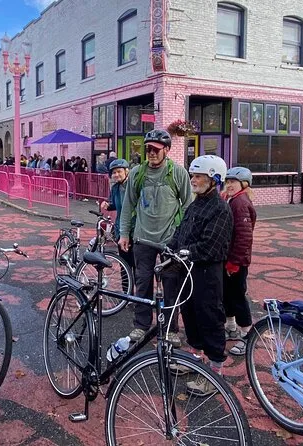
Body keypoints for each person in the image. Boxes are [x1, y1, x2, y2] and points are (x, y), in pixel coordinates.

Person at [119, 129, 192, 348]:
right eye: (148, 149)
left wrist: (182, 237)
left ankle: (170, 329)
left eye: (156, 149)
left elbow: (188, 205)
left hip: (169, 240)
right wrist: (124, 233)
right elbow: (128, 205)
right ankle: (141, 325)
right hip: (142, 239)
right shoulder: (137, 173)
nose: (151, 153)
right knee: (142, 283)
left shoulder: (178, 173)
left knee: (171, 285)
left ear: (166, 150)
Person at [167, 155, 232, 396]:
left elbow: (209, 247)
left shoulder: (220, 209)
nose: (193, 180)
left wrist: (183, 252)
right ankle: (195, 358)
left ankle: (215, 372)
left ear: (214, 179)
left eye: (198, 176)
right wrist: (171, 246)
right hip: (188, 270)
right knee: (190, 314)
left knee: (209, 317)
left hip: (207, 273)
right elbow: (181, 231)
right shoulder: (196, 204)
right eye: (192, 175)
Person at [222, 167, 256, 356]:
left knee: (237, 297)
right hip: (230, 258)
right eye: (227, 182)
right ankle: (231, 327)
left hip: (236, 261)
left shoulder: (240, 203)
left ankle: (247, 334)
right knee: (228, 294)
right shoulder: (233, 200)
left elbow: (244, 237)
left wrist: (234, 262)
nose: (229, 185)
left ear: (244, 184)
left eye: (233, 182)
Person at [100, 159, 134, 268]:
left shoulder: (133, 186)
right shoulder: (115, 188)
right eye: (114, 172)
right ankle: (126, 280)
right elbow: (115, 204)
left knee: (136, 264)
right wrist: (108, 205)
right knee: (124, 264)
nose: (116, 174)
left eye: (119, 171)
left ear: (126, 171)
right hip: (120, 229)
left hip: (134, 229)